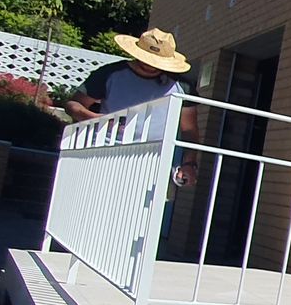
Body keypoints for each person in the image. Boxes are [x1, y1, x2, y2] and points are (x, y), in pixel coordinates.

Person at [66, 27, 202, 188]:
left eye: (155, 63)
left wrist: (189, 163)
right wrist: (97, 120)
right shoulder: (111, 73)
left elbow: (189, 131)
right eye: (146, 60)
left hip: (153, 160)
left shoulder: (181, 86)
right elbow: (72, 105)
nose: (149, 67)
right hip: (103, 153)